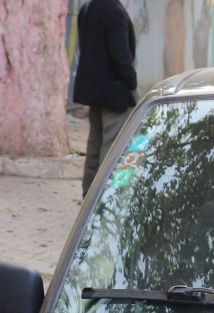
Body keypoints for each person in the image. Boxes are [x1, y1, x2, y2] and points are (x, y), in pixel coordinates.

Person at [74, 0, 138, 195]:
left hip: (95, 93)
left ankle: (89, 199)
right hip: (115, 95)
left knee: (95, 146)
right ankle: (106, 201)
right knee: (114, 150)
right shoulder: (114, 11)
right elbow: (121, 57)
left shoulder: (88, 7)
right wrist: (132, 81)